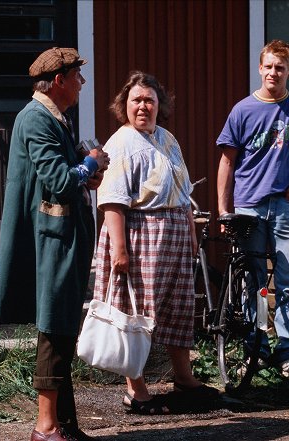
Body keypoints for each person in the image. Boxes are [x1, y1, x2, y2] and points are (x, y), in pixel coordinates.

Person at [0, 47, 109, 441]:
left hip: (62, 235)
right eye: (77, 75)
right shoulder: (37, 118)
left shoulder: (56, 118)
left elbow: (63, 178)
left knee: (61, 326)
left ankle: (65, 425)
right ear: (59, 79)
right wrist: (90, 162)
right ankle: (45, 427)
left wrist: (86, 174)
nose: (81, 83)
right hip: (50, 238)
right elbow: (59, 181)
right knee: (54, 325)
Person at [92, 71, 219, 416]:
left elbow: (183, 193)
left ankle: (183, 378)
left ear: (159, 105)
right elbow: (112, 201)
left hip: (175, 232)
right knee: (139, 311)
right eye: (136, 100)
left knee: (177, 307)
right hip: (140, 234)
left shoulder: (167, 138)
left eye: (149, 99)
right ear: (125, 106)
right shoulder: (120, 143)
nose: (143, 106)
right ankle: (135, 389)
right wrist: (119, 250)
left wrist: (191, 232)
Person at [216, 39, 289, 378]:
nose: (274, 72)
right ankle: (256, 347)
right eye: (269, 66)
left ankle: (288, 351)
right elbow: (226, 164)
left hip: (285, 206)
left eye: (281, 67)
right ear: (260, 68)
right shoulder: (243, 110)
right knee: (255, 283)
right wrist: (224, 210)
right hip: (249, 207)